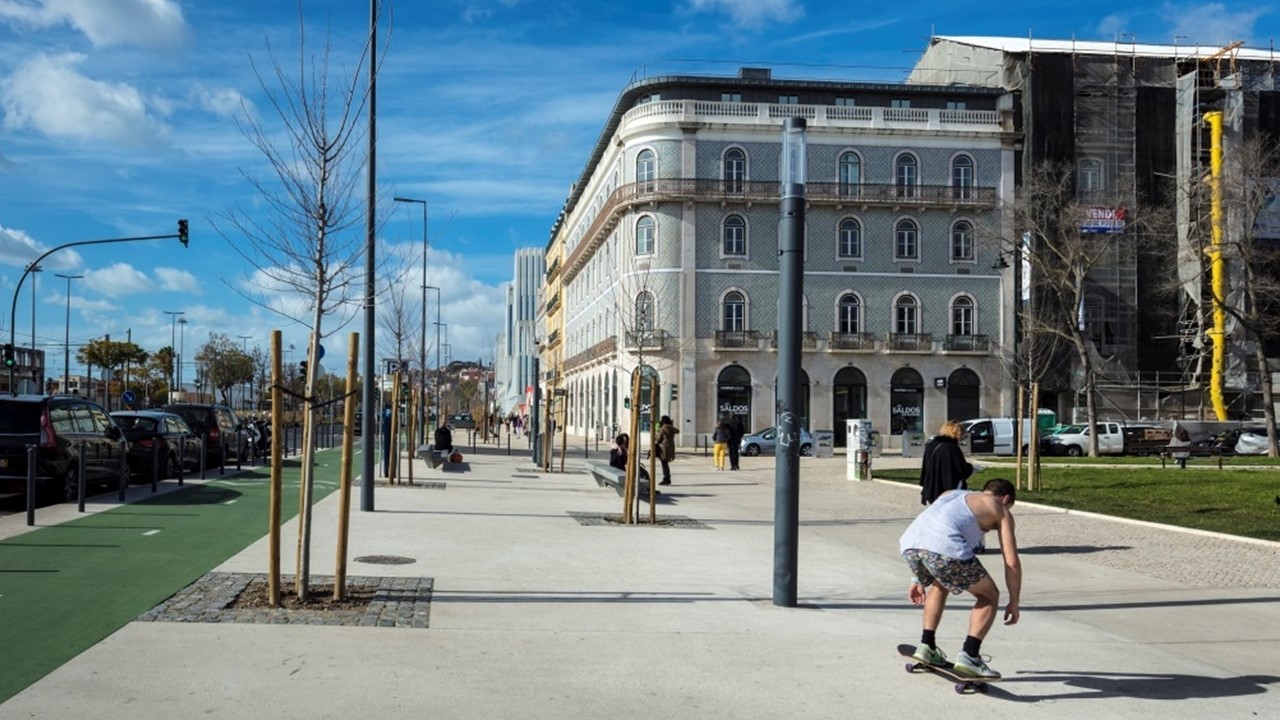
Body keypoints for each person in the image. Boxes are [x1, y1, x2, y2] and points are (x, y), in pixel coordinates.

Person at [899, 478, 1021, 680]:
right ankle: (970, 656)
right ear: (1006, 499)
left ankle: (926, 645)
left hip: (909, 544)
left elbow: (932, 528)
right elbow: (1012, 562)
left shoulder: (950, 493)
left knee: (940, 583)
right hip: (944, 548)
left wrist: (917, 578)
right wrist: (1014, 602)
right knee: (989, 596)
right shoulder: (1000, 509)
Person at [919, 420, 974, 506]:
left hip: (931, 485)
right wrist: (971, 468)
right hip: (948, 487)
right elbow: (961, 469)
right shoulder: (952, 447)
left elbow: (925, 465)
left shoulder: (931, 444)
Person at [655, 415, 678, 485]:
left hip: (663, 448)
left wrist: (654, 435)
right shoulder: (671, 428)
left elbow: (659, 439)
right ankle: (667, 478)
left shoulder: (663, 428)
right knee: (665, 464)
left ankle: (666, 479)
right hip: (670, 447)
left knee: (664, 464)